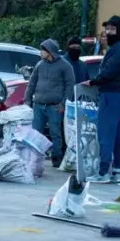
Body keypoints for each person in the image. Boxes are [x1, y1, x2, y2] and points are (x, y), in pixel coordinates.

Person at [85, 15, 120, 184]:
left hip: (112, 94)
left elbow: (111, 71)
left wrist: (94, 81)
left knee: (106, 133)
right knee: (117, 134)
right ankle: (117, 171)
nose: (108, 32)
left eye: (113, 29)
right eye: (107, 29)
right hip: (119, 94)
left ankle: (103, 172)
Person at [24, 39, 75, 169]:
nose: (41, 52)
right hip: (39, 104)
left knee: (55, 133)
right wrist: (27, 99)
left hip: (55, 106)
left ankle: (57, 157)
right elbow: (32, 82)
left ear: (50, 51)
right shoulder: (40, 65)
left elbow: (70, 86)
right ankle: (34, 157)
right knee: (36, 133)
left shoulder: (65, 66)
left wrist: (64, 103)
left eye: (43, 50)